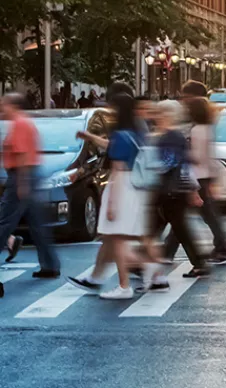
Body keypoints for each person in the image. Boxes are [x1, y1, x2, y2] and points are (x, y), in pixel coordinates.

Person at [67, 92, 149, 299]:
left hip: (121, 186)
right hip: (132, 186)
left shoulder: (122, 134)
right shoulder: (134, 132)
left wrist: (112, 202)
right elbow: (112, 147)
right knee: (110, 237)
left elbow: (118, 169)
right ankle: (95, 278)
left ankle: (125, 285)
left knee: (117, 239)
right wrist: (91, 137)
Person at [0, 93, 61, 285]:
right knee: (37, 225)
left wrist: (22, 184)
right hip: (27, 176)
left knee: (4, 223)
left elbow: (22, 154)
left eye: (4, 104)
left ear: (14, 106)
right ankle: (50, 266)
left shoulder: (20, 124)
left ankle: (50, 265)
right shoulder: (24, 123)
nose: (2, 108)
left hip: (21, 176)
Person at [148, 100, 208, 284]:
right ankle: (143, 260)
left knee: (169, 228)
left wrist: (149, 166)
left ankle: (199, 263)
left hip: (170, 191)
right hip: (173, 190)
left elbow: (171, 163)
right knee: (159, 227)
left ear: (167, 115)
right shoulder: (173, 136)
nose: (156, 116)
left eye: (159, 113)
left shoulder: (170, 137)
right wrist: (193, 188)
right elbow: (186, 165)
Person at [186, 97, 226, 264]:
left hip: (198, 176)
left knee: (208, 215)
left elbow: (197, 157)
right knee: (209, 215)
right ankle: (222, 247)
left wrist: (183, 153)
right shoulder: (207, 128)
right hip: (206, 175)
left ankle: (223, 248)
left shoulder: (197, 130)